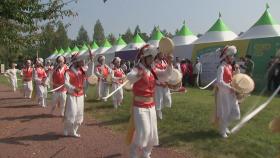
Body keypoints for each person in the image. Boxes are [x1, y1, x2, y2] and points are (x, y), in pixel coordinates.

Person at [127, 44, 173, 158]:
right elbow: (130, 77)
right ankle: (133, 151)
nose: (153, 60)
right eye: (150, 57)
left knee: (152, 133)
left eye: (153, 57)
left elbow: (165, 75)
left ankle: (146, 154)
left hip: (151, 105)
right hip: (139, 106)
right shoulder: (137, 68)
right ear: (144, 57)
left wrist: (170, 63)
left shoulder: (152, 69)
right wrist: (139, 73)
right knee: (145, 132)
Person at [64, 52, 94, 137]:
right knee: (71, 113)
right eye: (80, 61)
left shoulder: (83, 70)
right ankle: (66, 128)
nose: (82, 62)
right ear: (75, 62)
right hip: (72, 95)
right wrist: (74, 88)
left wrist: (91, 60)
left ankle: (74, 131)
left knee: (79, 114)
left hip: (80, 95)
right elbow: (66, 83)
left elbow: (91, 70)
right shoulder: (68, 72)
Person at [215, 45, 240, 138]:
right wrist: (230, 88)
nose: (233, 57)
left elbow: (233, 78)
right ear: (227, 56)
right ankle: (222, 131)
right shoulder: (221, 67)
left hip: (231, 93)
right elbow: (219, 82)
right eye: (232, 55)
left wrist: (237, 70)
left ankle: (224, 126)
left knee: (236, 112)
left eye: (234, 55)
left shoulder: (230, 66)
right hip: (224, 93)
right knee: (225, 112)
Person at [154, 52, 172, 120]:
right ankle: (158, 115)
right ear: (158, 54)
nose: (163, 55)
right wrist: (160, 82)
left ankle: (159, 112)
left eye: (163, 53)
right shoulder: (154, 63)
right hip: (158, 85)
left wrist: (168, 82)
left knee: (167, 98)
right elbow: (154, 74)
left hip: (165, 84)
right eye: (161, 53)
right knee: (158, 100)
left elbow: (168, 72)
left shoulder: (165, 62)